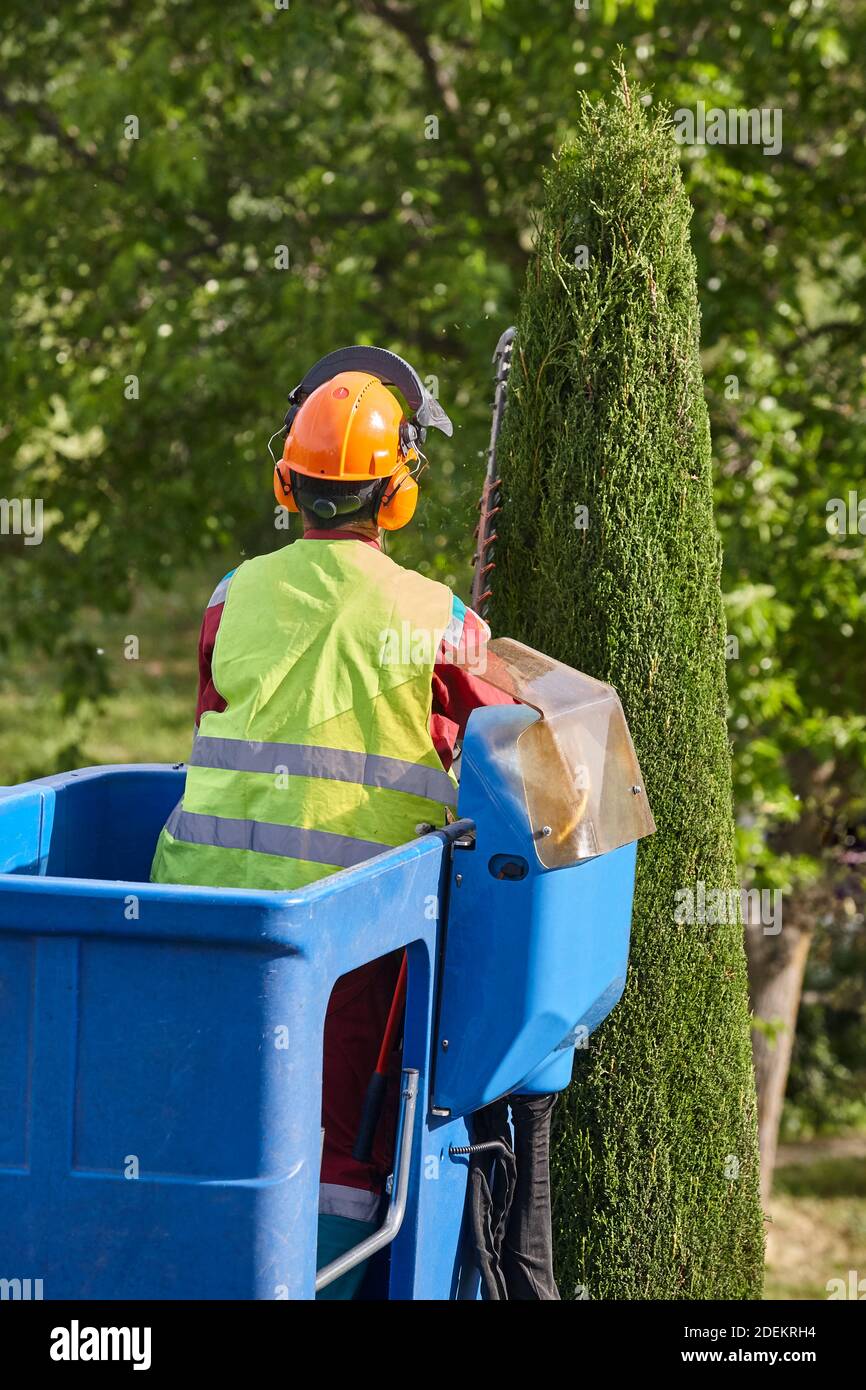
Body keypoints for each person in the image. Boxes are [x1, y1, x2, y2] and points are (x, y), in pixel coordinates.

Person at [150, 347, 513, 1298]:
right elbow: (514, 743)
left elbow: (213, 723)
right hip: (353, 934)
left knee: (213, 1115)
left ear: (287, 483)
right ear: (396, 499)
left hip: (195, 916)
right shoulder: (436, 617)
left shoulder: (231, 596)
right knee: (340, 1146)